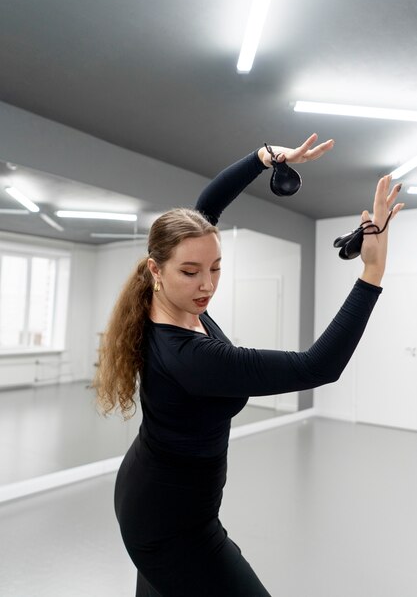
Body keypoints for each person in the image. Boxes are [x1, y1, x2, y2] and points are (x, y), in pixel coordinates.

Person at [93, 134, 403, 596]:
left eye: (215, 267)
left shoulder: (177, 306)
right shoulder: (190, 357)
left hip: (158, 495)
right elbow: (318, 366)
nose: (207, 284)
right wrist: (372, 272)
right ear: (156, 270)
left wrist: (264, 158)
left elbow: (205, 208)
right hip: (172, 524)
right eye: (191, 272)